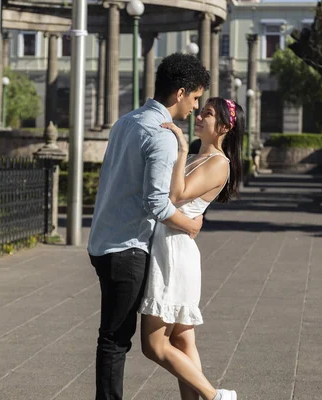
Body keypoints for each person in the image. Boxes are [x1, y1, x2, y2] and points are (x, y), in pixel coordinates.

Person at [87, 52, 211, 400]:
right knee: (114, 341)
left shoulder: (126, 122)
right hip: (127, 247)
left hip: (102, 242)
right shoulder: (161, 135)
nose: (195, 108)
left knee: (114, 338)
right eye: (196, 98)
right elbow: (156, 203)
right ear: (181, 92)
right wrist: (189, 225)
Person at [138, 97, 245, 400]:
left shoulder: (218, 163)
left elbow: (176, 193)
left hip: (174, 251)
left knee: (154, 345)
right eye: (201, 111)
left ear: (224, 126)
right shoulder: (201, 156)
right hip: (171, 243)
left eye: (208, 114)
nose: (199, 116)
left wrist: (182, 147)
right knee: (184, 340)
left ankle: (215, 397)